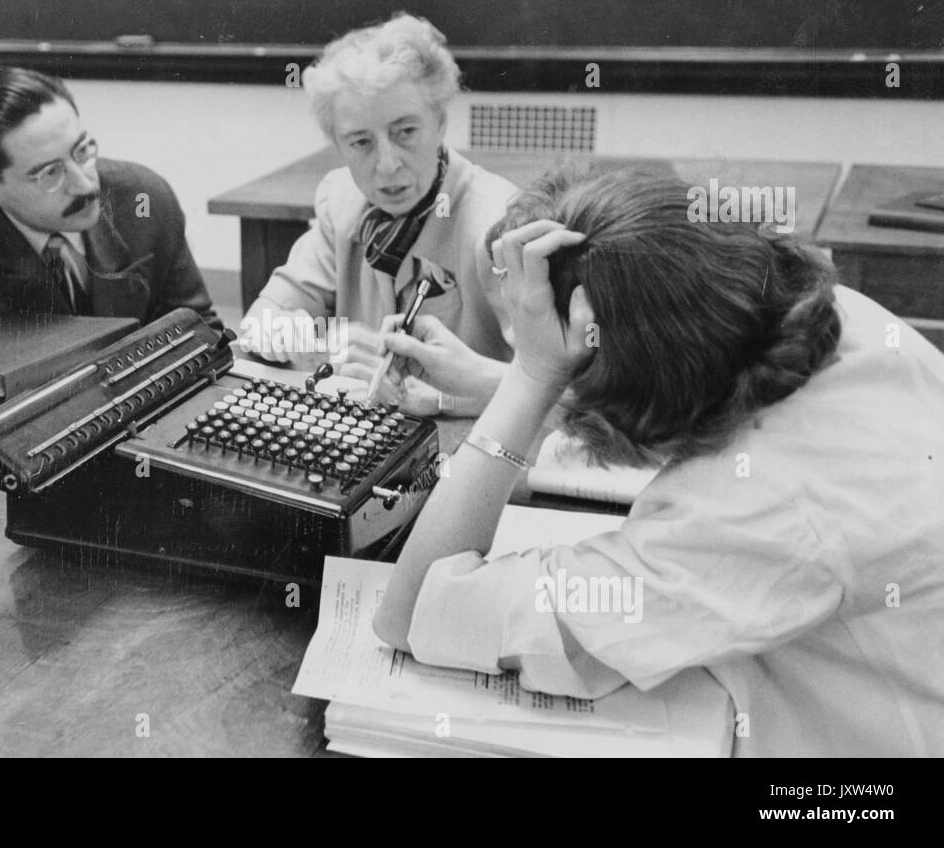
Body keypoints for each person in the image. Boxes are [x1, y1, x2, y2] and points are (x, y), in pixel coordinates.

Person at [373, 169, 944, 757]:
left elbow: (414, 610)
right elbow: (701, 393)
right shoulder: (835, 317)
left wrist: (532, 380)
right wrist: (509, 380)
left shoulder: (747, 517)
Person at [242, 14, 516, 415]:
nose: (387, 165)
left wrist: (443, 400)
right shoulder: (341, 201)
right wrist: (308, 342)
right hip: (370, 434)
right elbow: (259, 322)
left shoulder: (497, 222)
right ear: (337, 143)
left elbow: (560, 390)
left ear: (440, 122)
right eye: (360, 143)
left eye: (405, 132)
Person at [0, 66, 221, 345]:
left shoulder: (144, 198)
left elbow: (200, 332)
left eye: (82, 151)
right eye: (49, 173)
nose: (86, 184)